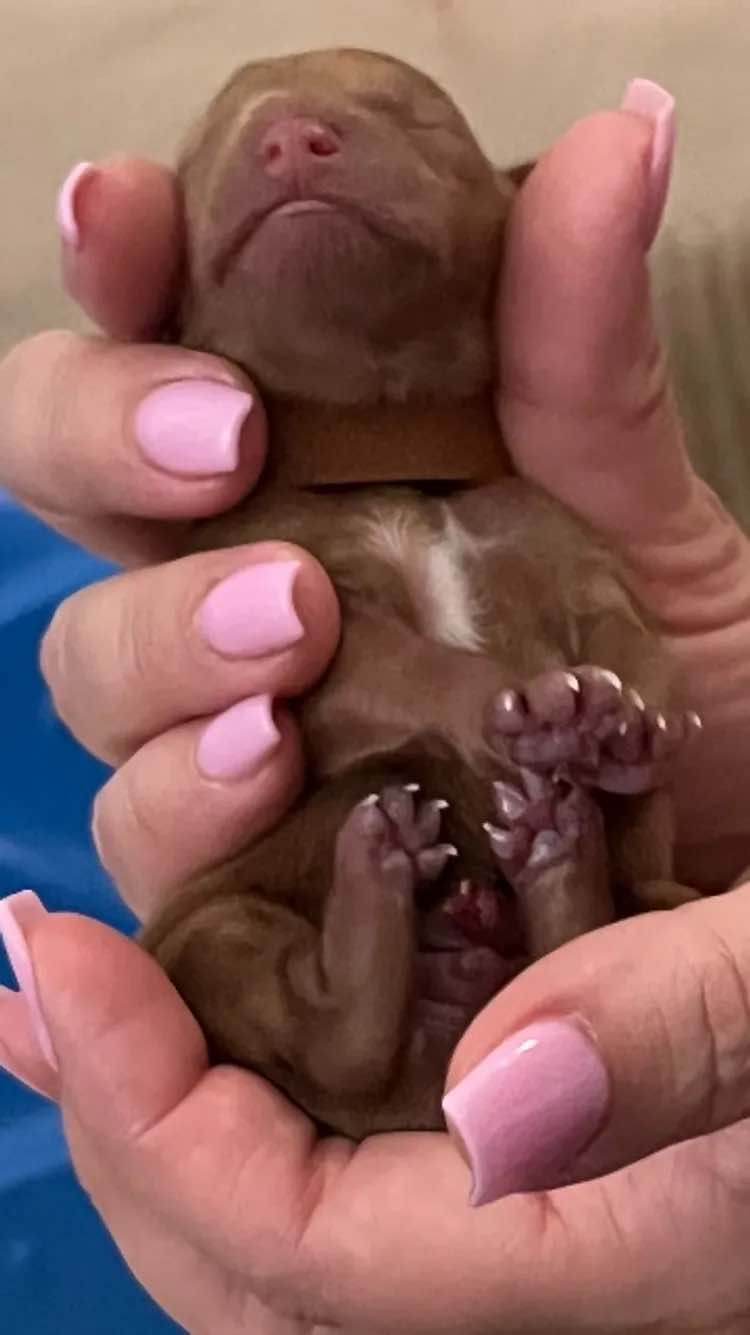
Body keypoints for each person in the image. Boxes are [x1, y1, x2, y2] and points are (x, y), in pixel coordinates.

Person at [1, 83, 750, 1334]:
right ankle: (353, 1011)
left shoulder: (541, 515)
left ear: (509, 212)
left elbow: (640, 662)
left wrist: (630, 716)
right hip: (378, 1020)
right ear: (179, 315)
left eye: (401, 115)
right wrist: (491, 702)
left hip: (585, 1006)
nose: (292, 142)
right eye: (233, 150)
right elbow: (332, 683)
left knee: (642, 882)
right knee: (208, 945)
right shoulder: (263, 546)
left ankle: (552, 930)